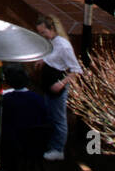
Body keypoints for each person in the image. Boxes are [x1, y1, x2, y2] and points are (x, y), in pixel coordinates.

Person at [33, 14, 82, 161]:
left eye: (44, 32)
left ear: (52, 28)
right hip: (48, 84)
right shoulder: (52, 41)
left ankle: (58, 149)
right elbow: (53, 56)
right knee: (50, 115)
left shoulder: (64, 46)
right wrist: (43, 60)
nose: (43, 36)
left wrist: (61, 84)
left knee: (59, 119)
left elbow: (77, 70)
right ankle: (50, 143)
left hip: (57, 86)